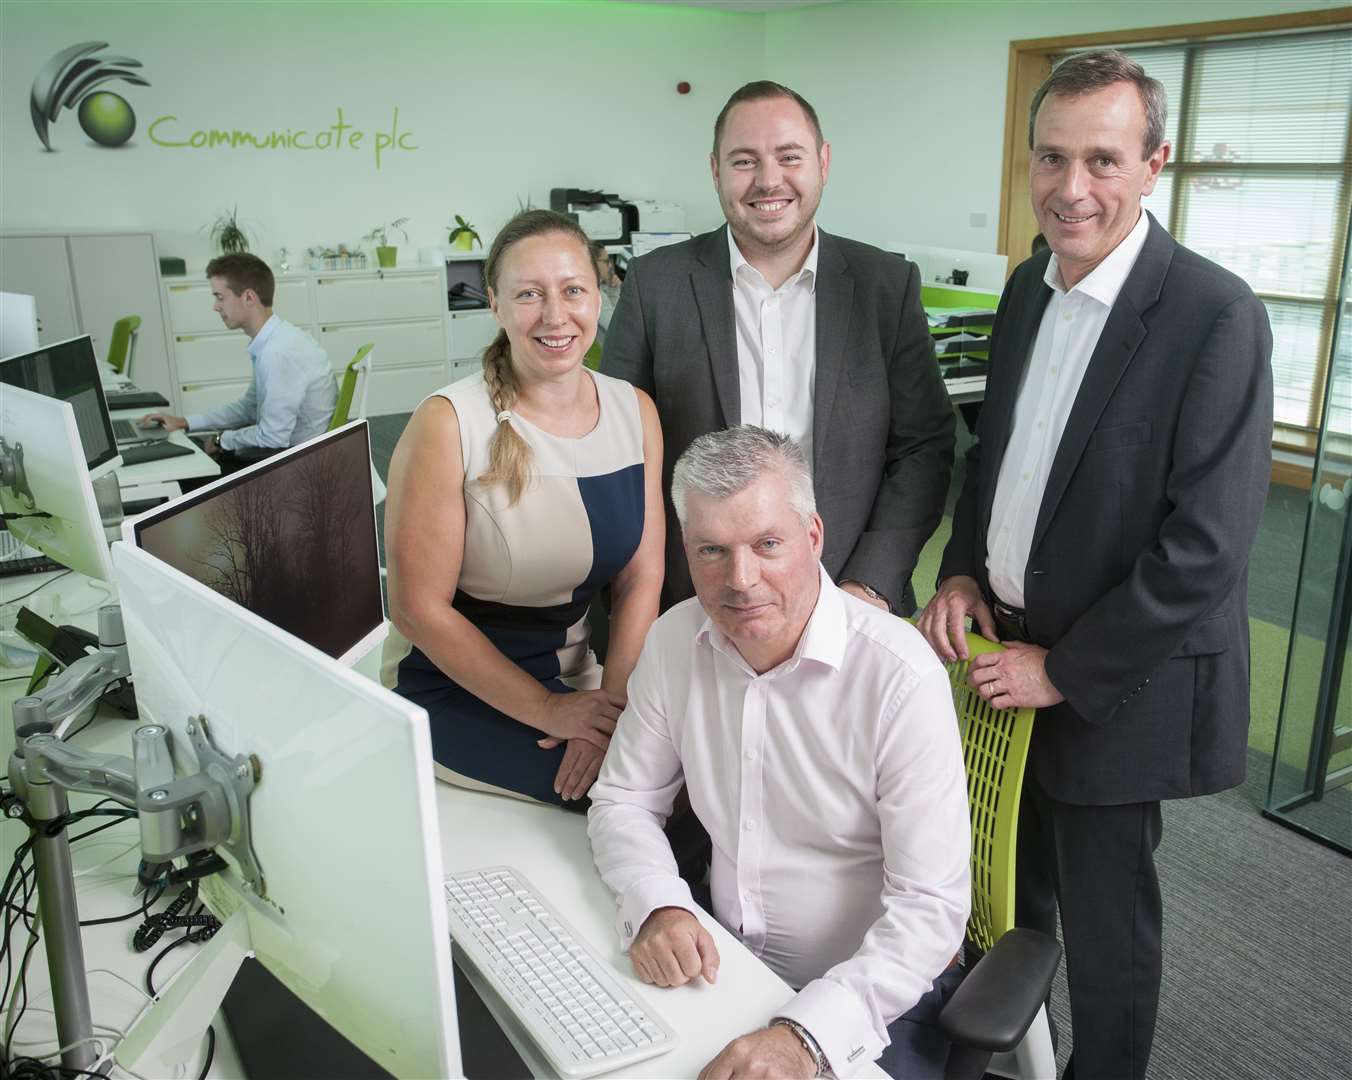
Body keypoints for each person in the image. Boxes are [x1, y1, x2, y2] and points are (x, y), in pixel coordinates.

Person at [916, 50, 1273, 1080]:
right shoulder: (1030, 284)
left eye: (1102, 161)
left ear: (1153, 163)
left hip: (1116, 682)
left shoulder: (1212, 314)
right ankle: (1014, 1058)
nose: (1071, 189)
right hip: (1003, 650)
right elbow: (996, 457)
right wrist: (960, 571)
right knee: (1006, 890)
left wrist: (1062, 671)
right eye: (1051, 158)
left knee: (1105, 921)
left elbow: (1204, 545)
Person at [588, 426, 970, 1079]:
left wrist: (805, 1037)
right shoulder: (676, 640)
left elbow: (930, 909)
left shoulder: (898, 676)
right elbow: (624, 799)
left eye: (767, 545)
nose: (741, 581)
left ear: (813, 536)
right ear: (686, 547)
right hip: (726, 966)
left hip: (873, 1000)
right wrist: (660, 900)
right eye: (712, 550)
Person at [602, 80, 954, 616]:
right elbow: (620, 453)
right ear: (716, 170)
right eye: (745, 161)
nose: (769, 181)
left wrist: (872, 584)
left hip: (847, 595)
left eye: (789, 156)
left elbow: (922, 448)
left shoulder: (886, 285)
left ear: (823, 161)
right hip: (695, 599)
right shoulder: (657, 284)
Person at [382, 209, 665, 808]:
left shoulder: (632, 409)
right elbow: (416, 609)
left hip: (579, 677)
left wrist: (607, 710)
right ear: (496, 304)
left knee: (700, 776)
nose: (555, 316)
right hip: (455, 685)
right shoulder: (449, 422)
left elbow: (643, 576)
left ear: (600, 290)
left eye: (573, 291)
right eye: (529, 295)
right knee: (635, 801)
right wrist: (550, 710)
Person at [141, 253, 336, 472]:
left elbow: (273, 437)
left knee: (186, 472)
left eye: (220, 297)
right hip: (291, 453)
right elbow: (249, 409)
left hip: (294, 465)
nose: (215, 306)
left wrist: (221, 440)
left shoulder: (277, 353)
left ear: (249, 298)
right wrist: (185, 422)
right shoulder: (276, 340)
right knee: (190, 454)